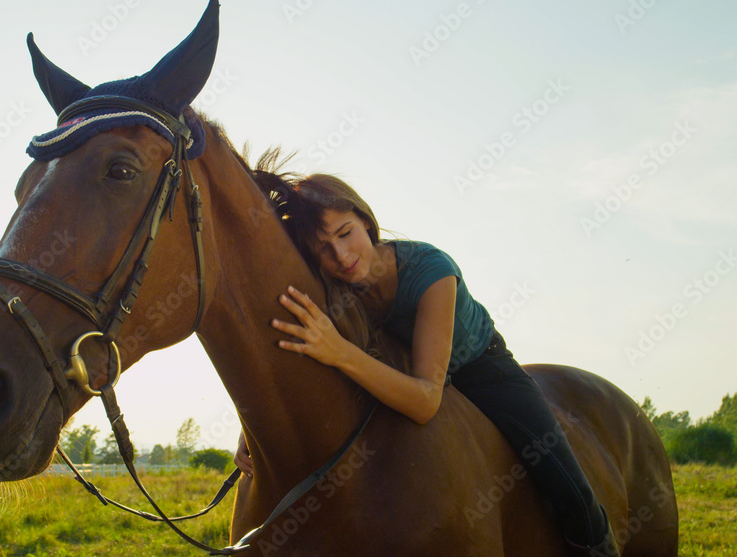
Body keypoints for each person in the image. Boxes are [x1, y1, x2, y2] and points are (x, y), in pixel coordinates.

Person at [233, 169, 619, 556]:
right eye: (323, 249)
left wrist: (339, 351)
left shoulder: (433, 269)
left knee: (561, 472)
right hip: (393, 366)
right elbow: (292, 356)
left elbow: (426, 400)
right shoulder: (330, 284)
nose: (343, 257)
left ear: (365, 221)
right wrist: (248, 431)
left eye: (345, 233)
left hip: (480, 369)